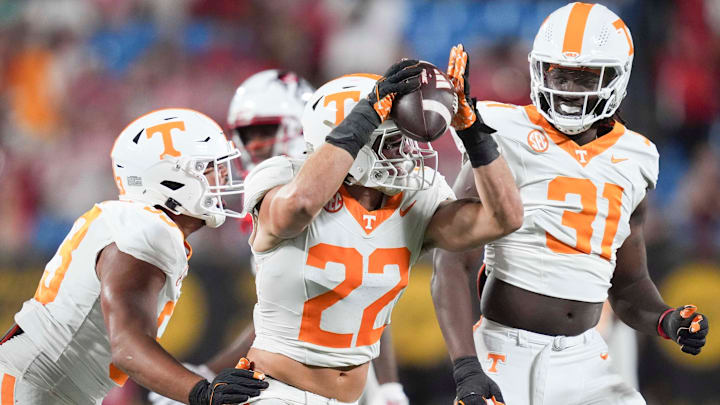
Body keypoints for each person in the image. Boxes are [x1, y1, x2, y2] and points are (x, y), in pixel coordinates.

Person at [432, 4, 710, 405]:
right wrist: (466, 367)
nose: (566, 88)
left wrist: (667, 319)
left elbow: (629, 285)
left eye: (582, 78)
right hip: (505, 351)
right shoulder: (502, 133)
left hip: (586, 355)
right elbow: (452, 262)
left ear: (617, 77)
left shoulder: (635, 158)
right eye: (557, 73)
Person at [236, 56, 522, 405]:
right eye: (390, 141)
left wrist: (474, 133)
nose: (405, 153)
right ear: (352, 139)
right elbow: (299, 205)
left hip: (352, 398)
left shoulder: (413, 197)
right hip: (274, 392)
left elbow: (505, 217)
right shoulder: (279, 175)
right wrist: (365, 114)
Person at [149, 70, 412, 405]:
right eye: (247, 133)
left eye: (265, 129)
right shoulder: (274, 193)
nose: (254, 143)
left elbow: (367, 297)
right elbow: (281, 318)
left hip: (339, 381)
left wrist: (205, 375)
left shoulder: (337, 193)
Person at [0, 108, 269, 405]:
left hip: (47, 383)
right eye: (208, 167)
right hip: (36, 384)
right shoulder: (147, 229)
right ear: (169, 178)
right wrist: (201, 392)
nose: (222, 176)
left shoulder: (138, 223)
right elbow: (129, 348)